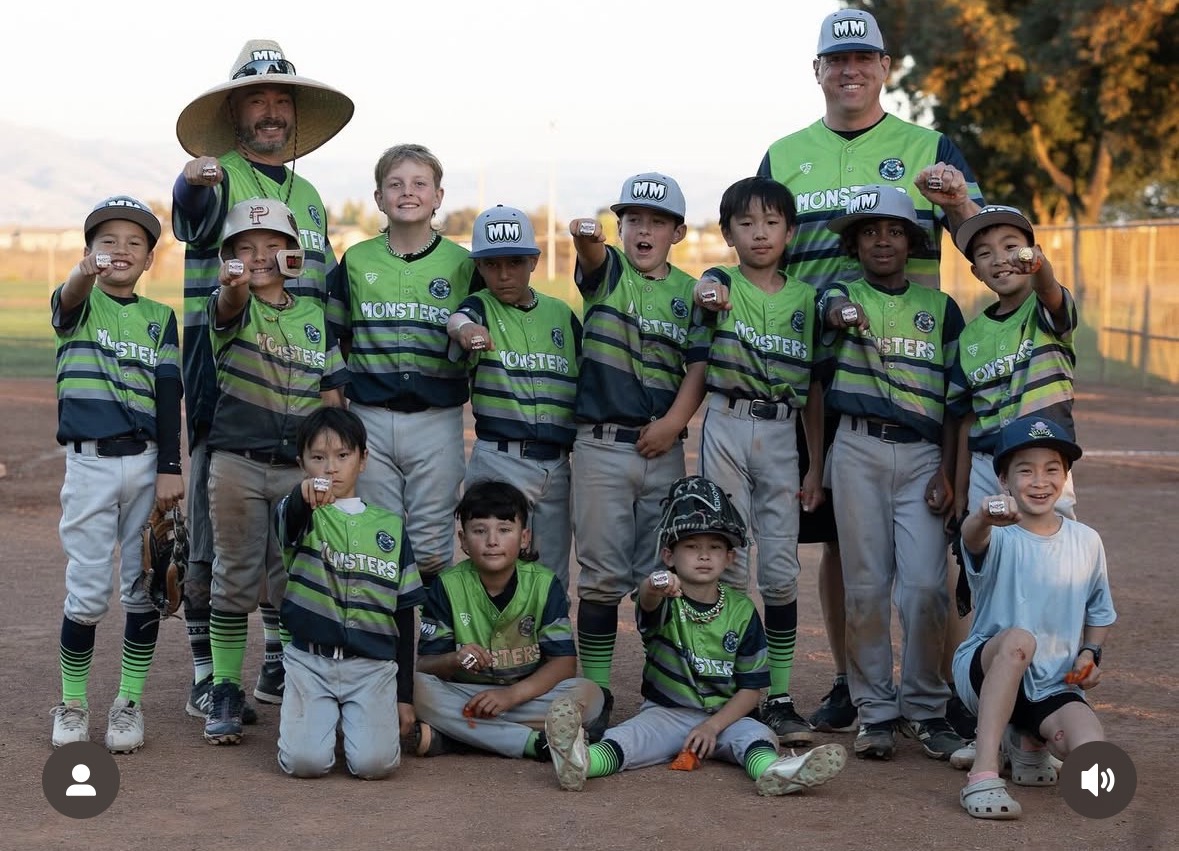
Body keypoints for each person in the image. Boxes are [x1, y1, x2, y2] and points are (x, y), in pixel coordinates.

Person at [751, 7, 986, 737]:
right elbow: (764, 255)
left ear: (885, 67)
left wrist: (958, 200)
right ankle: (858, 688)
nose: (850, 70)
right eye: (836, 60)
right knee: (833, 543)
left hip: (907, 372)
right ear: (817, 71)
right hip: (815, 371)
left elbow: (979, 238)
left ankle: (934, 688)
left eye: (864, 58)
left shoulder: (926, 145)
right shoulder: (785, 152)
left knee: (925, 556)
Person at [173, 39, 354, 718]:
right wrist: (193, 179)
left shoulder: (307, 195)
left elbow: (322, 290)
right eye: (258, 100)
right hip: (224, 361)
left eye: (282, 101)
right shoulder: (220, 175)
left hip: (300, 367)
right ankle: (207, 672)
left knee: (291, 534)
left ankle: (276, 662)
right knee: (215, 535)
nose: (272, 112)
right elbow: (189, 211)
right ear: (236, 111)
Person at [543, 475, 847, 797]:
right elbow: (647, 598)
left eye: (715, 547)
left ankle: (776, 771)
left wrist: (713, 726)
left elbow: (751, 691)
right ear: (669, 555)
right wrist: (655, 584)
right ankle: (582, 762)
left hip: (725, 718)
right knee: (628, 738)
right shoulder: (665, 598)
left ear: (730, 557)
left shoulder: (742, 611)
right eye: (691, 546)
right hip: (665, 713)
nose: (704, 555)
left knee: (756, 735)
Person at [819, 185, 967, 761]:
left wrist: (951, 472)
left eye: (896, 231)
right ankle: (875, 711)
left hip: (924, 458)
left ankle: (926, 708)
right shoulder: (840, 293)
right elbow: (828, 315)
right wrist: (840, 313)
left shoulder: (941, 309)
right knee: (865, 588)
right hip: (857, 449)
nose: (883, 240)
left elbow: (957, 403)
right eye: (871, 232)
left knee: (928, 586)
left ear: (912, 242)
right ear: (855, 244)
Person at [202, 200, 348, 745]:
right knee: (235, 577)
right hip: (238, 462)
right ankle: (223, 687)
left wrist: (338, 462)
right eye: (244, 247)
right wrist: (233, 283)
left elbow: (333, 398)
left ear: (294, 253)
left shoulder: (314, 319)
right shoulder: (234, 307)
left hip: (297, 472)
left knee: (294, 581)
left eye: (270, 246)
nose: (258, 257)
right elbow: (230, 298)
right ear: (229, 258)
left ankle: (291, 678)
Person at [567, 172, 707, 731]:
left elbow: (698, 366)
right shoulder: (609, 276)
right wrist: (586, 236)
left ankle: (662, 685)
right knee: (601, 575)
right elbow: (591, 253)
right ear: (619, 227)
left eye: (656, 221)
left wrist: (675, 423)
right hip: (601, 446)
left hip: (662, 448)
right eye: (633, 221)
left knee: (660, 573)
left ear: (677, 231)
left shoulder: (692, 291)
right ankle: (598, 691)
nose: (644, 230)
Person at [49, 196, 184, 753]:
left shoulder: (160, 319)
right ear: (89, 252)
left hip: (147, 462)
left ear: (150, 259)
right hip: (90, 465)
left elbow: (169, 392)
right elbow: (70, 296)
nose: (121, 250)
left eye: (135, 242)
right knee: (85, 592)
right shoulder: (78, 305)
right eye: (107, 241)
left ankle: (127, 702)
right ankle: (74, 702)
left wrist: (171, 467)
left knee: (144, 586)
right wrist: (82, 274)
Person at [692, 177, 824, 745]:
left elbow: (815, 388)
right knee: (730, 556)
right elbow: (705, 290)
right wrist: (706, 292)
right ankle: (736, 685)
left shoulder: (806, 298)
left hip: (781, 431)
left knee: (780, 569)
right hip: (726, 420)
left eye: (772, 222)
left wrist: (815, 463)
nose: (760, 232)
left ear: (790, 232)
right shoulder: (722, 281)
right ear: (727, 234)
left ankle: (780, 693)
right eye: (746, 223)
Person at [326, 144, 478, 585]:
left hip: (438, 418)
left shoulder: (462, 263)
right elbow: (334, 334)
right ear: (378, 198)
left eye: (419, 184)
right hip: (371, 415)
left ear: (438, 196)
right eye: (395, 184)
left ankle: (430, 650)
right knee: (381, 539)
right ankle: (389, 653)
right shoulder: (357, 259)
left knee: (431, 548)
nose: (407, 192)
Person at [954, 416, 1115, 820]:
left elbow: (1100, 610)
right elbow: (970, 537)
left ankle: (1029, 741)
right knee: (1020, 641)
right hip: (986, 668)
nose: (1040, 481)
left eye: (1052, 470)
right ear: (1004, 482)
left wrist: (1090, 654)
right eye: (1025, 471)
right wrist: (982, 516)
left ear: (1065, 477)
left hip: (1053, 684)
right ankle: (984, 773)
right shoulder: (997, 534)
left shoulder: (1087, 540)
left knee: (1092, 752)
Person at [273, 407, 423, 779]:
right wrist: (301, 496)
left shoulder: (390, 526)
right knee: (305, 764)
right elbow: (290, 516)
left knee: (375, 765)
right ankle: (322, 723)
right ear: (302, 463)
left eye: (343, 455)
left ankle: (349, 720)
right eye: (318, 458)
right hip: (311, 663)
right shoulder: (302, 515)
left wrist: (404, 696)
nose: (331, 468)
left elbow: (403, 613)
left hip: (371, 667)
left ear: (364, 459)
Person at [412, 480, 604, 760]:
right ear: (463, 540)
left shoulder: (543, 583)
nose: (492, 541)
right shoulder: (448, 585)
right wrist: (453, 660)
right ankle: (535, 743)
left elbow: (563, 664)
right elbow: (426, 664)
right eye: (479, 531)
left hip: (525, 697)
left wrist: (511, 696)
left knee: (590, 695)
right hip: (466, 693)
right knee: (416, 687)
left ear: (524, 537)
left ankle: (460, 738)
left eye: (504, 530)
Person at [446, 206, 581, 591]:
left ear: (534, 261)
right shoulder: (480, 307)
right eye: (492, 265)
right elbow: (457, 320)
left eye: (515, 262)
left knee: (551, 571)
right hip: (499, 459)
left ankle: (546, 647)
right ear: (479, 267)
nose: (503, 274)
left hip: (556, 466)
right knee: (493, 564)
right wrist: (467, 329)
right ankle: (493, 649)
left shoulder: (561, 314)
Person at [948, 204, 1079, 522]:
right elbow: (967, 418)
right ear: (976, 272)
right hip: (986, 465)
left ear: (1034, 252)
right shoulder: (971, 336)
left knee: (1049, 557)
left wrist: (1040, 268)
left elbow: (1048, 288)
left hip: (1043, 461)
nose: (1000, 258)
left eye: (1011, 246)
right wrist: (961, 490)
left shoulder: (1047, 311)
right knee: (989, 555)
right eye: (984, 253)